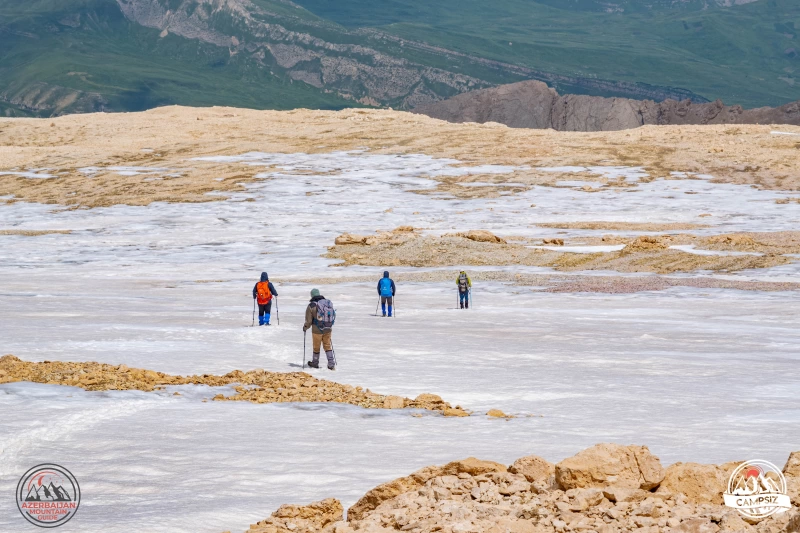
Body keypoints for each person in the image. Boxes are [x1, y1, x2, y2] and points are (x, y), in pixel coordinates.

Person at [303, 289, 336, 370]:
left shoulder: (311, 305)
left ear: (312, 295)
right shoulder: (327, 303)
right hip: (328, 328)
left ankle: (315, 363)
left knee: (316, 347)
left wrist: (305, 327)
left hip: (317, 330)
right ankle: (331, 364)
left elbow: (309, 321)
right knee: (327, 345)